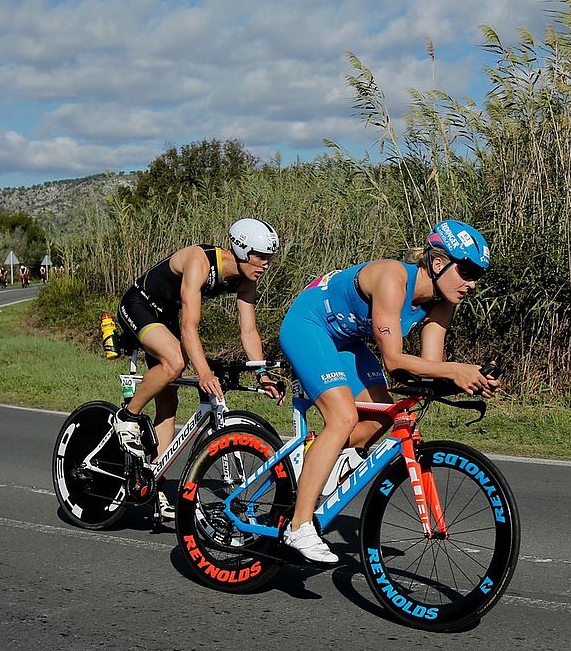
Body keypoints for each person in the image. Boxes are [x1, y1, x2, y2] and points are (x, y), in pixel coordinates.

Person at [276, 220, 499, 564]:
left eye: (477, 277)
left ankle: (314, 463)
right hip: (309, 324)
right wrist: (456, 370)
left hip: (346, 341)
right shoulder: (392, 278)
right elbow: (395, 361)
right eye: (467, 272)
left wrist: (467, 378)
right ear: (439, 263)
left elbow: (428, 367)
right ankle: (299, 524)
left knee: (380, 419)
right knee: (343, 417)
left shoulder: (443, 301)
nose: (471, 284)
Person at [111, 218, 283, 519]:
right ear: (242, 250)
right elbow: (189, 328)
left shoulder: (246, 280)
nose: (266, 265)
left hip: (164, 318)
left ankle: (154, 481)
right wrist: (203, 372)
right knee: (176, 362)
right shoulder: (200, 261)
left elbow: (249, 332)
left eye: (270, 258)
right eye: (261, 256)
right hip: (140, 304)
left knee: (168, 401)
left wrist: (262, 374)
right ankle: (127, 417)